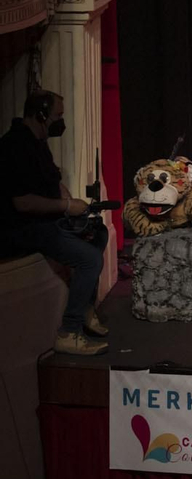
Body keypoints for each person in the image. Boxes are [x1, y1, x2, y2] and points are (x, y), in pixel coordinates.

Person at [0, 89, 109, 354]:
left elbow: (54, 181)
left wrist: (72, 207)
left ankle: (84, 306)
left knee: (98, 232)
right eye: (58, 116)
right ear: (41, 115)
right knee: (90, 259)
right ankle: (69, 332)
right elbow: (23, 203)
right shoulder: (14, 147)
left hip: (45, 221)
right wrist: (67, 206)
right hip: (21, 227)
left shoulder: (38, 142)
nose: (62, 122)